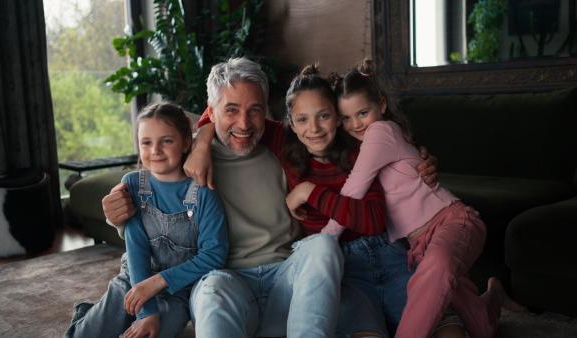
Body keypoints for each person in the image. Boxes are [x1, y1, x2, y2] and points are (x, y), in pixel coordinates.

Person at [193, 63, 446, 338]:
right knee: (214, 288)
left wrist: (310, 192)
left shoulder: (338, 147)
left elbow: (375, 211)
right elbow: (217, 122)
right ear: (291, 122)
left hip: (348, 260)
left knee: (436, 324)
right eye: (302, 120)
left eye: (255, 109)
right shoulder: (278, 142)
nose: (313, 128)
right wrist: (201, 142)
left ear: (337, 118)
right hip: (302, 275)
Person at [104, 58, 346, 338]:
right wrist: (118, 215)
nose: (244, 124)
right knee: (211, 288)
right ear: (212, 112)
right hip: (226, 283)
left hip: (286, 280)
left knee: (324, 247)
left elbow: (341, 139)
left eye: (255, 110)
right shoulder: (184, 154)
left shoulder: (285, 143)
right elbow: (150, 192)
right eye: (231, 110)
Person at [318, 59, 527, 338]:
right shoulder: (362, 143)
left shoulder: (380, 131)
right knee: (480, 329)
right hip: (418, 245)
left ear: (381, 106)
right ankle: (494, 295)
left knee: (431, 272)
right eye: (345, 117)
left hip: (451, 223)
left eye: (362, 112)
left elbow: (353, 188)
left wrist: (324, 240)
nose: (355, 123)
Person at [65, 102, 229, 338]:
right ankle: (89, 316)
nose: (155, 150)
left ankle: (101, 315)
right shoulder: (132, 185)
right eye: (146, 143)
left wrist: (158, 285)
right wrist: (147, 312)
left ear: (185, 143)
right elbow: (136, 249)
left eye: (166, 141)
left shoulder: (204, 192)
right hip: (135, 275)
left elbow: (214, 256)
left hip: (181, 288)